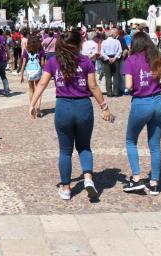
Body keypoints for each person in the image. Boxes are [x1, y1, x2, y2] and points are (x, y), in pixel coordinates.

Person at [28, 30, 112, 201]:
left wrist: (32, 104)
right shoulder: (86, 61)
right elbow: (94, 87)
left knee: (65, 151)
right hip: (83, 107)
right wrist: (104, 107)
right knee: (84, 147)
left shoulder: (53, 61)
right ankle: (88, 178)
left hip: (63, 108)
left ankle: (66, 188)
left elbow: (42, 83)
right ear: (79, 44)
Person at [123, 31, 161, 195]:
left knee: (131, 140)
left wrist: (129, 86)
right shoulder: (157, 58)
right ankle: (154, 182)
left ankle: (136, 179)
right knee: (155, 145)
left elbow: (128, 85)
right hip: (158, 101)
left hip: (142, 102)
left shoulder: (131, 60)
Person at [19, 36, 45, 117]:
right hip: (38, 71)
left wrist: (22, 74)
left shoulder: (26, 51)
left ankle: (32, 107)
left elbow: (23, 63)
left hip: (29, 72)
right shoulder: (41, 51)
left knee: (31, 90)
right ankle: (38, 108)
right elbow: (43, 63)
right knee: (39, 90)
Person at [101, 31, 122, 97]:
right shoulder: (117, 41)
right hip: (115, 59)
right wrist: (115, 58)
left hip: (107, 59)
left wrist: (108, 58)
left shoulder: (104, 42)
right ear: (112, 35)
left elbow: (102, 52)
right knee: (116, 76)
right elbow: (120, 51)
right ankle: (116, 92)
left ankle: (109, 92)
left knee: (108, 76)